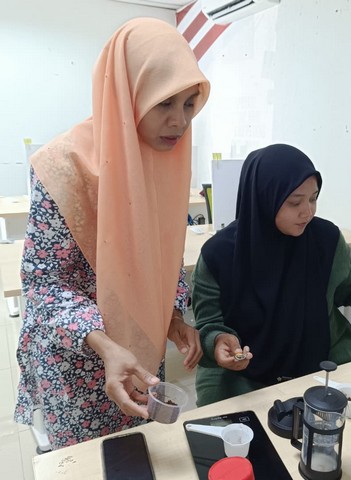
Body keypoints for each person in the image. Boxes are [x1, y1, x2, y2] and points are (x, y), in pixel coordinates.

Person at [14, 18, 210, 449]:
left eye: (189, 103)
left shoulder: (166, 161)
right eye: (164, 103)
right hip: (79, 364)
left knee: (139, 452)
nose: (179, 121)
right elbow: (44, 284)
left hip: (140, 350)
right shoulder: (66, 165)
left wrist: (173, 317)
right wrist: (105, 344)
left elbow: (164, 254)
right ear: (129, 93)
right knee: (89, 463)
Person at [191, 143, 351, 407]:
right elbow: (209, 323)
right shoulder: (219, 254)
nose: (308, 211)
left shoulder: (325, 239)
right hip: (243, 376)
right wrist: (218, 343)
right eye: (295, 202)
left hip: (321, 364)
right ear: (264, 198)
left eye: (313, 198)